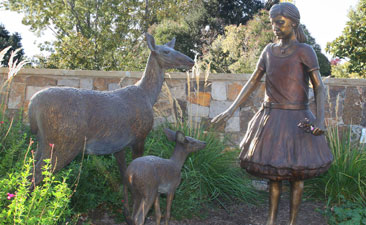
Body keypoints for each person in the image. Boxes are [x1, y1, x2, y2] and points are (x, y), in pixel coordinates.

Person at [211, 2, 333, 225]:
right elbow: (251, 82)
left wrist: (320, 119)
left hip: (298, 121)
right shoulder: (269, 51)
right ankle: (270, 220)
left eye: (280, 22)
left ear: (293, 23)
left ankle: (292, 221)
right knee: (274, 176)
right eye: (272, 23)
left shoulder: (305, 51)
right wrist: (229, 111)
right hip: (272, 119)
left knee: (297, 176)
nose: (275, 27)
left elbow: (319, 86)